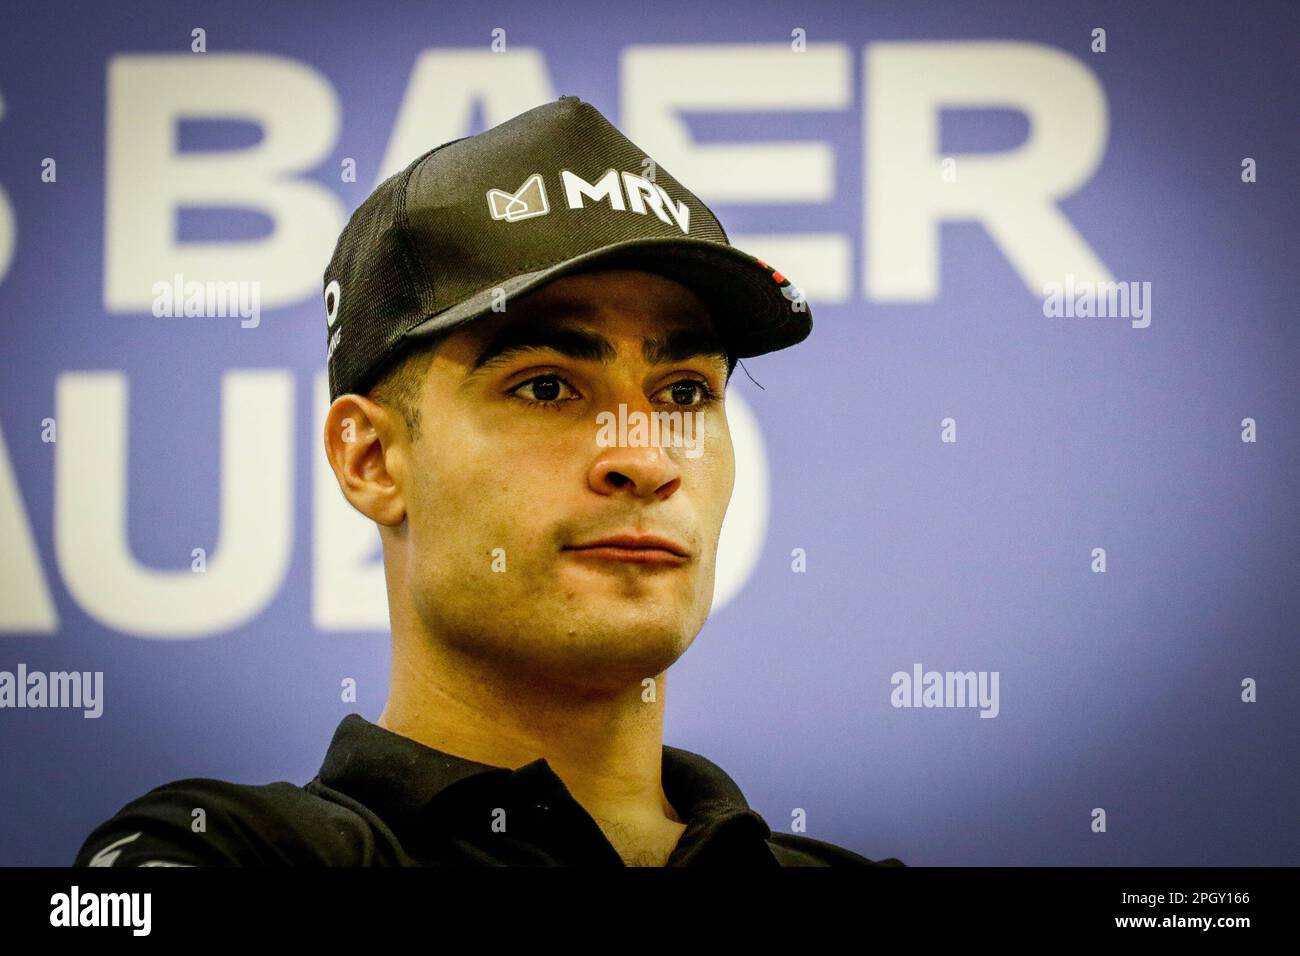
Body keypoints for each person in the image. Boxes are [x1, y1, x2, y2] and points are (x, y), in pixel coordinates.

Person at [73, 95, 904, 867]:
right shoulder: (224, 853)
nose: (645, 459)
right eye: (546, 387)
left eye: (684, 393)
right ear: (370, 460)